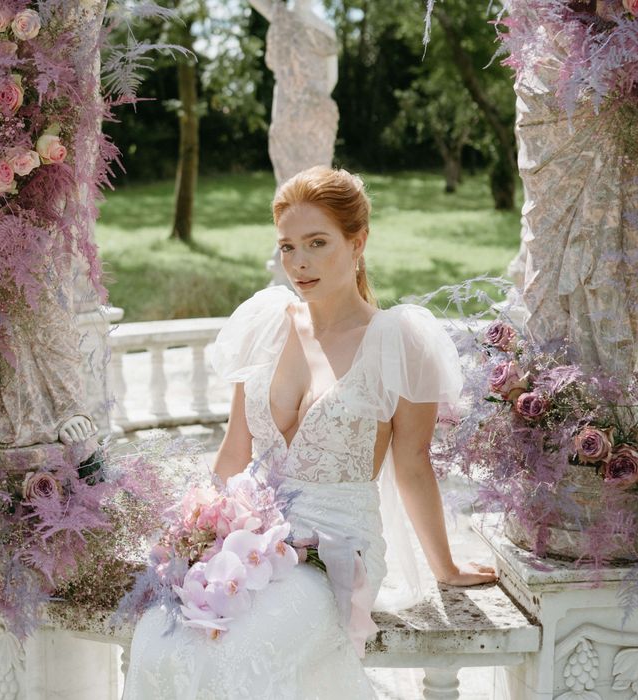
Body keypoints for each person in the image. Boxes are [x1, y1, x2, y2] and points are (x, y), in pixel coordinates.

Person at [123, 166, 496, 699]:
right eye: (288, 247)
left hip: (338, 545)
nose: (299, 263)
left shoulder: (396, 339)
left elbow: (412, 463)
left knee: (249, 649)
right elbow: (234, 449)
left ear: (357, 241)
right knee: (158, 640)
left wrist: (447, 567)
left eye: (317, 243)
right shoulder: (266, 322)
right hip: (249, 537)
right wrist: (196, 532)